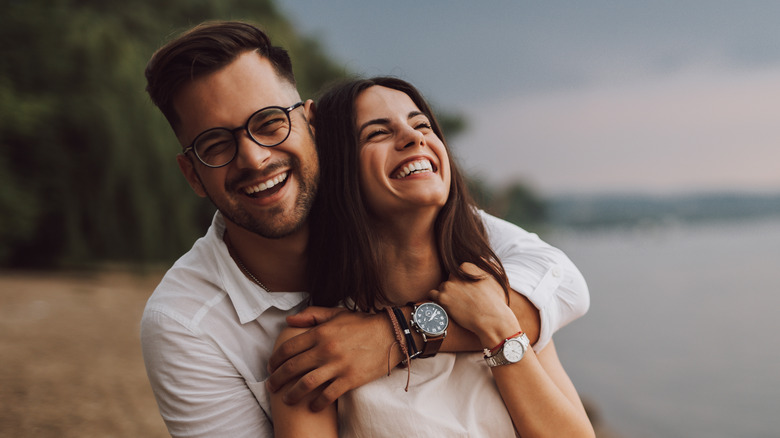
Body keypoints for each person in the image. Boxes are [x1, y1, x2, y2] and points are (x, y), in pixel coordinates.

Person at [141, 21, 589, 437]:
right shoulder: (191, 325)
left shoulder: (482, 280)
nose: (255, 158)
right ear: (192, 174)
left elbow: (562, 279)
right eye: (216, 144)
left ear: (312, 125)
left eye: (270, 124)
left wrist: (402, 334)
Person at [268, 77, 594, 437]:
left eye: (421, 124)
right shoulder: (315, 348)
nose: (414, 137)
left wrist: (499, 329)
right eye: (377, 133)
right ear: (337, 169)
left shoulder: (500, 298)